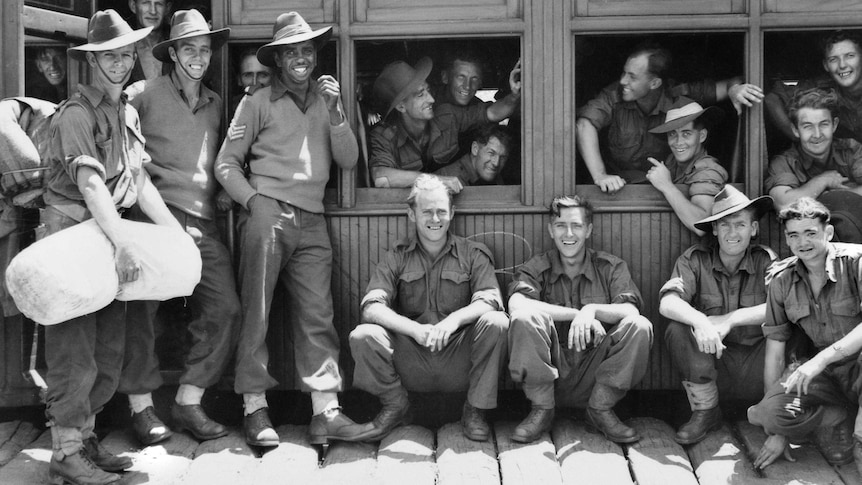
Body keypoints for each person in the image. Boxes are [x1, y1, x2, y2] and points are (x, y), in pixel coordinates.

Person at [42, 10, 183, 485]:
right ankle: (64, 450)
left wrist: (173, 234)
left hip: (105, 238)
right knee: (74, 351)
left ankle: (85, 440)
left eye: (126, 55)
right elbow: (91, 185)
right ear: (93, 60)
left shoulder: (125, 111)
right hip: (71, 239)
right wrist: (125, 243)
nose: (121, 64)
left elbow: (138, 180)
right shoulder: (77, 114)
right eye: (110, 56)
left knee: (108, 347)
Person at [215, 11, 364, 448]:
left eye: (306, 50)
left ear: (314, 55)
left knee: (318, 314)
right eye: (291, 52)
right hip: (268, 213)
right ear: (278, 60)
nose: (300, 58)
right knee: (256, 311)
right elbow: (225, 164)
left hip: (313, 220)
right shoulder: (257, 101)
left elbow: (349, 160)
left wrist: (337, 112)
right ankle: (255, 408)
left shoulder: (324, 100)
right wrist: (254, 202)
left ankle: (326, 412)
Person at [118, 9, 239, 447]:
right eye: (189, 48)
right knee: (141, 315)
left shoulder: (216, 102)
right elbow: (122, 157)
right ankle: (141, 409)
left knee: (225, 309)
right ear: (172, 53)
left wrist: (224, 189)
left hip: (203, 224)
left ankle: (189, 400)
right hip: (153, 220)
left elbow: (222, 158)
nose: (199, 57)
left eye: (205, 49)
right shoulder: (142, 94)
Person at [349, 174, 509, 442]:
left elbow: (490, 300)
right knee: (363, 336)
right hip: (413, 357)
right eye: (427, 212)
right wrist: (414, 330)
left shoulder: (472, 254)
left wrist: (452, 322)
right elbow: (371, 307)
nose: (435, 219)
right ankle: (396, 405)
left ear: (452, 213)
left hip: (458, 356)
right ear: (411, 214)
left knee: (497, 323)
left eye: (441, 212)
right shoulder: (397, 256)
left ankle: (475, 410)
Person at [507, 195, 653, 444]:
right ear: (551, 230)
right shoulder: (538, 266)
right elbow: (516, 304)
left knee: (640, 327)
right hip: (550, 372)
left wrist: (592, 311)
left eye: (576, 226)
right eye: (561, 225)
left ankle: (600, 409)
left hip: (595, 373)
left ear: (588, 230)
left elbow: (631, 310)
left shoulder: (610, 267)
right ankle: (542, 410)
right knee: (523, 318)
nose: (569, 233)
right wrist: (576, 314)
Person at [748, 198, 862, 471]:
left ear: (829, 233)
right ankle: (841, 416)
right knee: (766, 414)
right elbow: (775, 348)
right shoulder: (781, 280)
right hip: (827, 377)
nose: (803, 242)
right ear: (786, 239)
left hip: (857, 366)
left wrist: (819, 360)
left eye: (811, 233)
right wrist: (777, 430)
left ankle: (858, 439)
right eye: (794, 235)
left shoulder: (856, 262)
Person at [660, 186, 775, 445]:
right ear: (714, 229)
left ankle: (776, 410)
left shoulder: (766, 260)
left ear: (753, 229)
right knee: (677, 328)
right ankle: (706, 411)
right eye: (724, 225)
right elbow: (668, 302)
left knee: (790, 329)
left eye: (740, 225)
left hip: (759, 368)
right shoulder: (695, 259)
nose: (732, 233)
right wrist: (701, 320)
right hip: (714, 367)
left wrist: (730, 319)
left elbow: (783, 307)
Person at [576, 42, 763, 193]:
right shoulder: (613, 95)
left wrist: (735, 90)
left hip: (668, 187)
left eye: (632, 76)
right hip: (621, 190)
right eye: (624, 73)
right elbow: (585, 124)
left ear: (655, 82)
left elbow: (730, 84)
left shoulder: (679, 93)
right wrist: (600, 175)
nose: (623, 80)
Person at [368, 56, 521, 191]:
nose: (432, 99)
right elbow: (381, 177)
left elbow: (492, 113)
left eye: (428, 90)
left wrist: (514, 95)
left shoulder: (447, 116)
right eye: (421, 95)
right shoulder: (383, 136)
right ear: (401, 106)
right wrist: (438, 181)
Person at [765, 87, 862, 211]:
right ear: (795, 130)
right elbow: (784, 205)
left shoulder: (852, 149)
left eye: (823, 124)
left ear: (834, 125)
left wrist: (826, 196)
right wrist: (823, 181)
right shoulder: (784, 162)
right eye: (808, 126)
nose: (817, 134)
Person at [645, 98, 728, 235]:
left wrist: (666, 186)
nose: (678, 142)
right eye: (672, 134)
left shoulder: (708, 170)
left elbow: (701, 224)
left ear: (701, 136)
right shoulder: (672, 162)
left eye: (686, 134)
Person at [766, 31, 862, 145]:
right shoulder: (821, 86)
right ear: (826, 65)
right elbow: (771, 99)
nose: (842, 65)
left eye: (850, 56)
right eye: (833, 59)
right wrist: (796, 135)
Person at [432, 124, 511, 186]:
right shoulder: (448, 179)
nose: (496, 163)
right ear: (475, 149)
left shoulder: (495, 176)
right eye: (491, 153)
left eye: (503, 157)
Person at [128, 0, 171, 83]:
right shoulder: (123, 47)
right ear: (133, 6)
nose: (153, 11)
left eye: (159, 4)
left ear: (167, 8)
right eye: (146, 3)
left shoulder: (177, 45)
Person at [229, 47, 272, 115]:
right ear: (239, 80)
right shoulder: (229, 109)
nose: (255, 82)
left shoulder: (285, 107)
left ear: (273, 78)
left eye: (262, 75)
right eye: (248, 75)